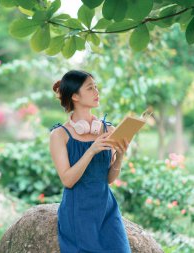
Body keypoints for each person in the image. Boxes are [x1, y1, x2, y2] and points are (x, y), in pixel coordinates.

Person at [49, 70, 132, 252]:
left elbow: (109, 179)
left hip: (107, 210)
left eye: (96, 87)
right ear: (75, 96)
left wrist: (120, 156)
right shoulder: (59, 135)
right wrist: (91, 151)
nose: (97, 92)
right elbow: (67, 180)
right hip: (77, 213)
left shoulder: (107, 129)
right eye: (90, 88)